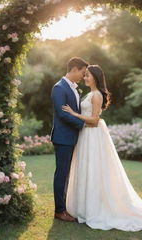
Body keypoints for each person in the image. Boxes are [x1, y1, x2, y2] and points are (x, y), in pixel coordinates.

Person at [62, 65, 142, 231]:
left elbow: (94, 120)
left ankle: (96, 208)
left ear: (95, 77)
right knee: (87, 169)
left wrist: (74, 114)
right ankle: (86, 206)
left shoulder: (96, 95)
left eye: (87, 75)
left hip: (93, 135)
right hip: (85, 136)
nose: (85, 78)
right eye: (85, 75)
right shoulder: (89, 94)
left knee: (95, 170)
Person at [51, 57, 97, 222]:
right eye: (83, 73)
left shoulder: (73, 88)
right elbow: (63, 114)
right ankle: (59, 210)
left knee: (68, 174)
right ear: (75, 69)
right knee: (62, 174)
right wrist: (83, 124)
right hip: (63, 137)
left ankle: (66, 206)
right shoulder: (59, 88)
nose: (83, 77)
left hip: (72, 137)